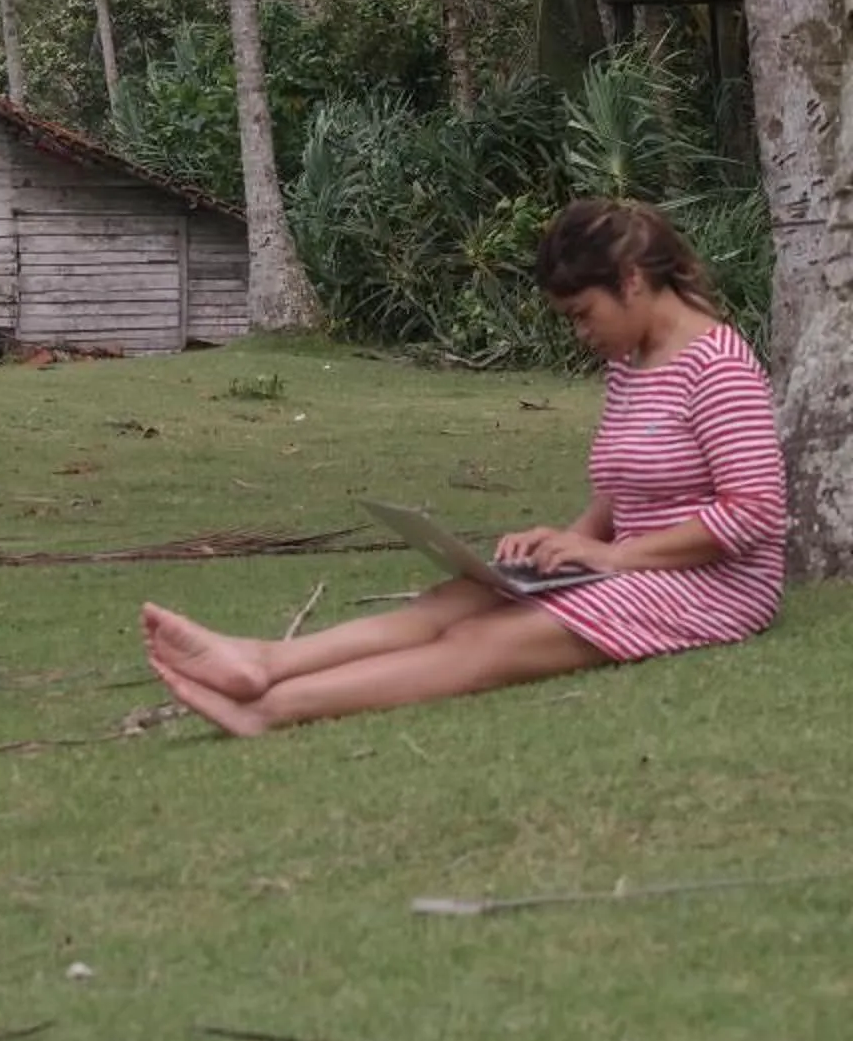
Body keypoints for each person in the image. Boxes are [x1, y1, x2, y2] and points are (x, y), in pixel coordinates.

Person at [140, 198, 786, 738]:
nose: (581, 334)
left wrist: (614, 559)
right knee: (456, 600)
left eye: (583, 314)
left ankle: (270, 710)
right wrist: (564, 541)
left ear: (632, 281)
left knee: (482, 643)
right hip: (630, 563)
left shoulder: (718, 367)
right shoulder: (631, 362)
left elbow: (751, 513)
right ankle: (263, 662)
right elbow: (620, 489)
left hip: (710, 586)